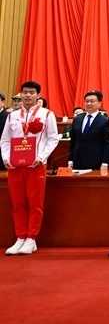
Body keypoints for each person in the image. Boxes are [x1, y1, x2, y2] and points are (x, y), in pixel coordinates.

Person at [0, 81, 60, 255]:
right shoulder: (12, 116)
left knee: (35, 203)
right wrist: (6, 158)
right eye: (25, 92)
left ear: (38, 95)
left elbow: (53, 138)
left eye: (31, 92)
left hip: (35, 165)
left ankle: (31, 238)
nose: (27, 95)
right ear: (20, 94)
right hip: (15, 166)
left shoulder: (46, 114)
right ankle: (20, 237)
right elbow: (5, 140)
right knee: (18, 203)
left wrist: (41, 157)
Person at [67, 90, 109, 171]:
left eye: (92, 101)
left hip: (96, 162)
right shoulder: (77, 119)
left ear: (99, 103)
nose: (89, 104)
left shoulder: (105, 121)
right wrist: (70, 160)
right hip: (77, 161)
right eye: (87, 101)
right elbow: (73, 141)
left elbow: (107, 144)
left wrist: (105, 162)